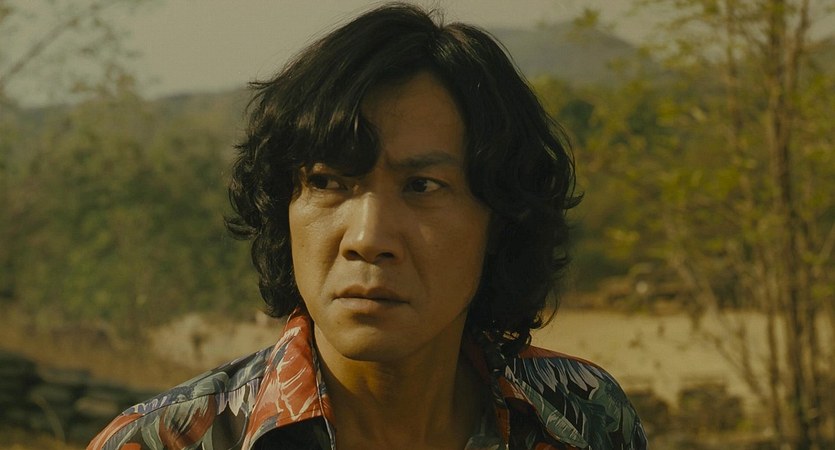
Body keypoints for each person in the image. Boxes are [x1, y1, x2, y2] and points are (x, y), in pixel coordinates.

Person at [89, 3, 646, 450]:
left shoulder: (582, 416)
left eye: (422, 186)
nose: (368, 239)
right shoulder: (167, 441)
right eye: (328, 182)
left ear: (500, 219)